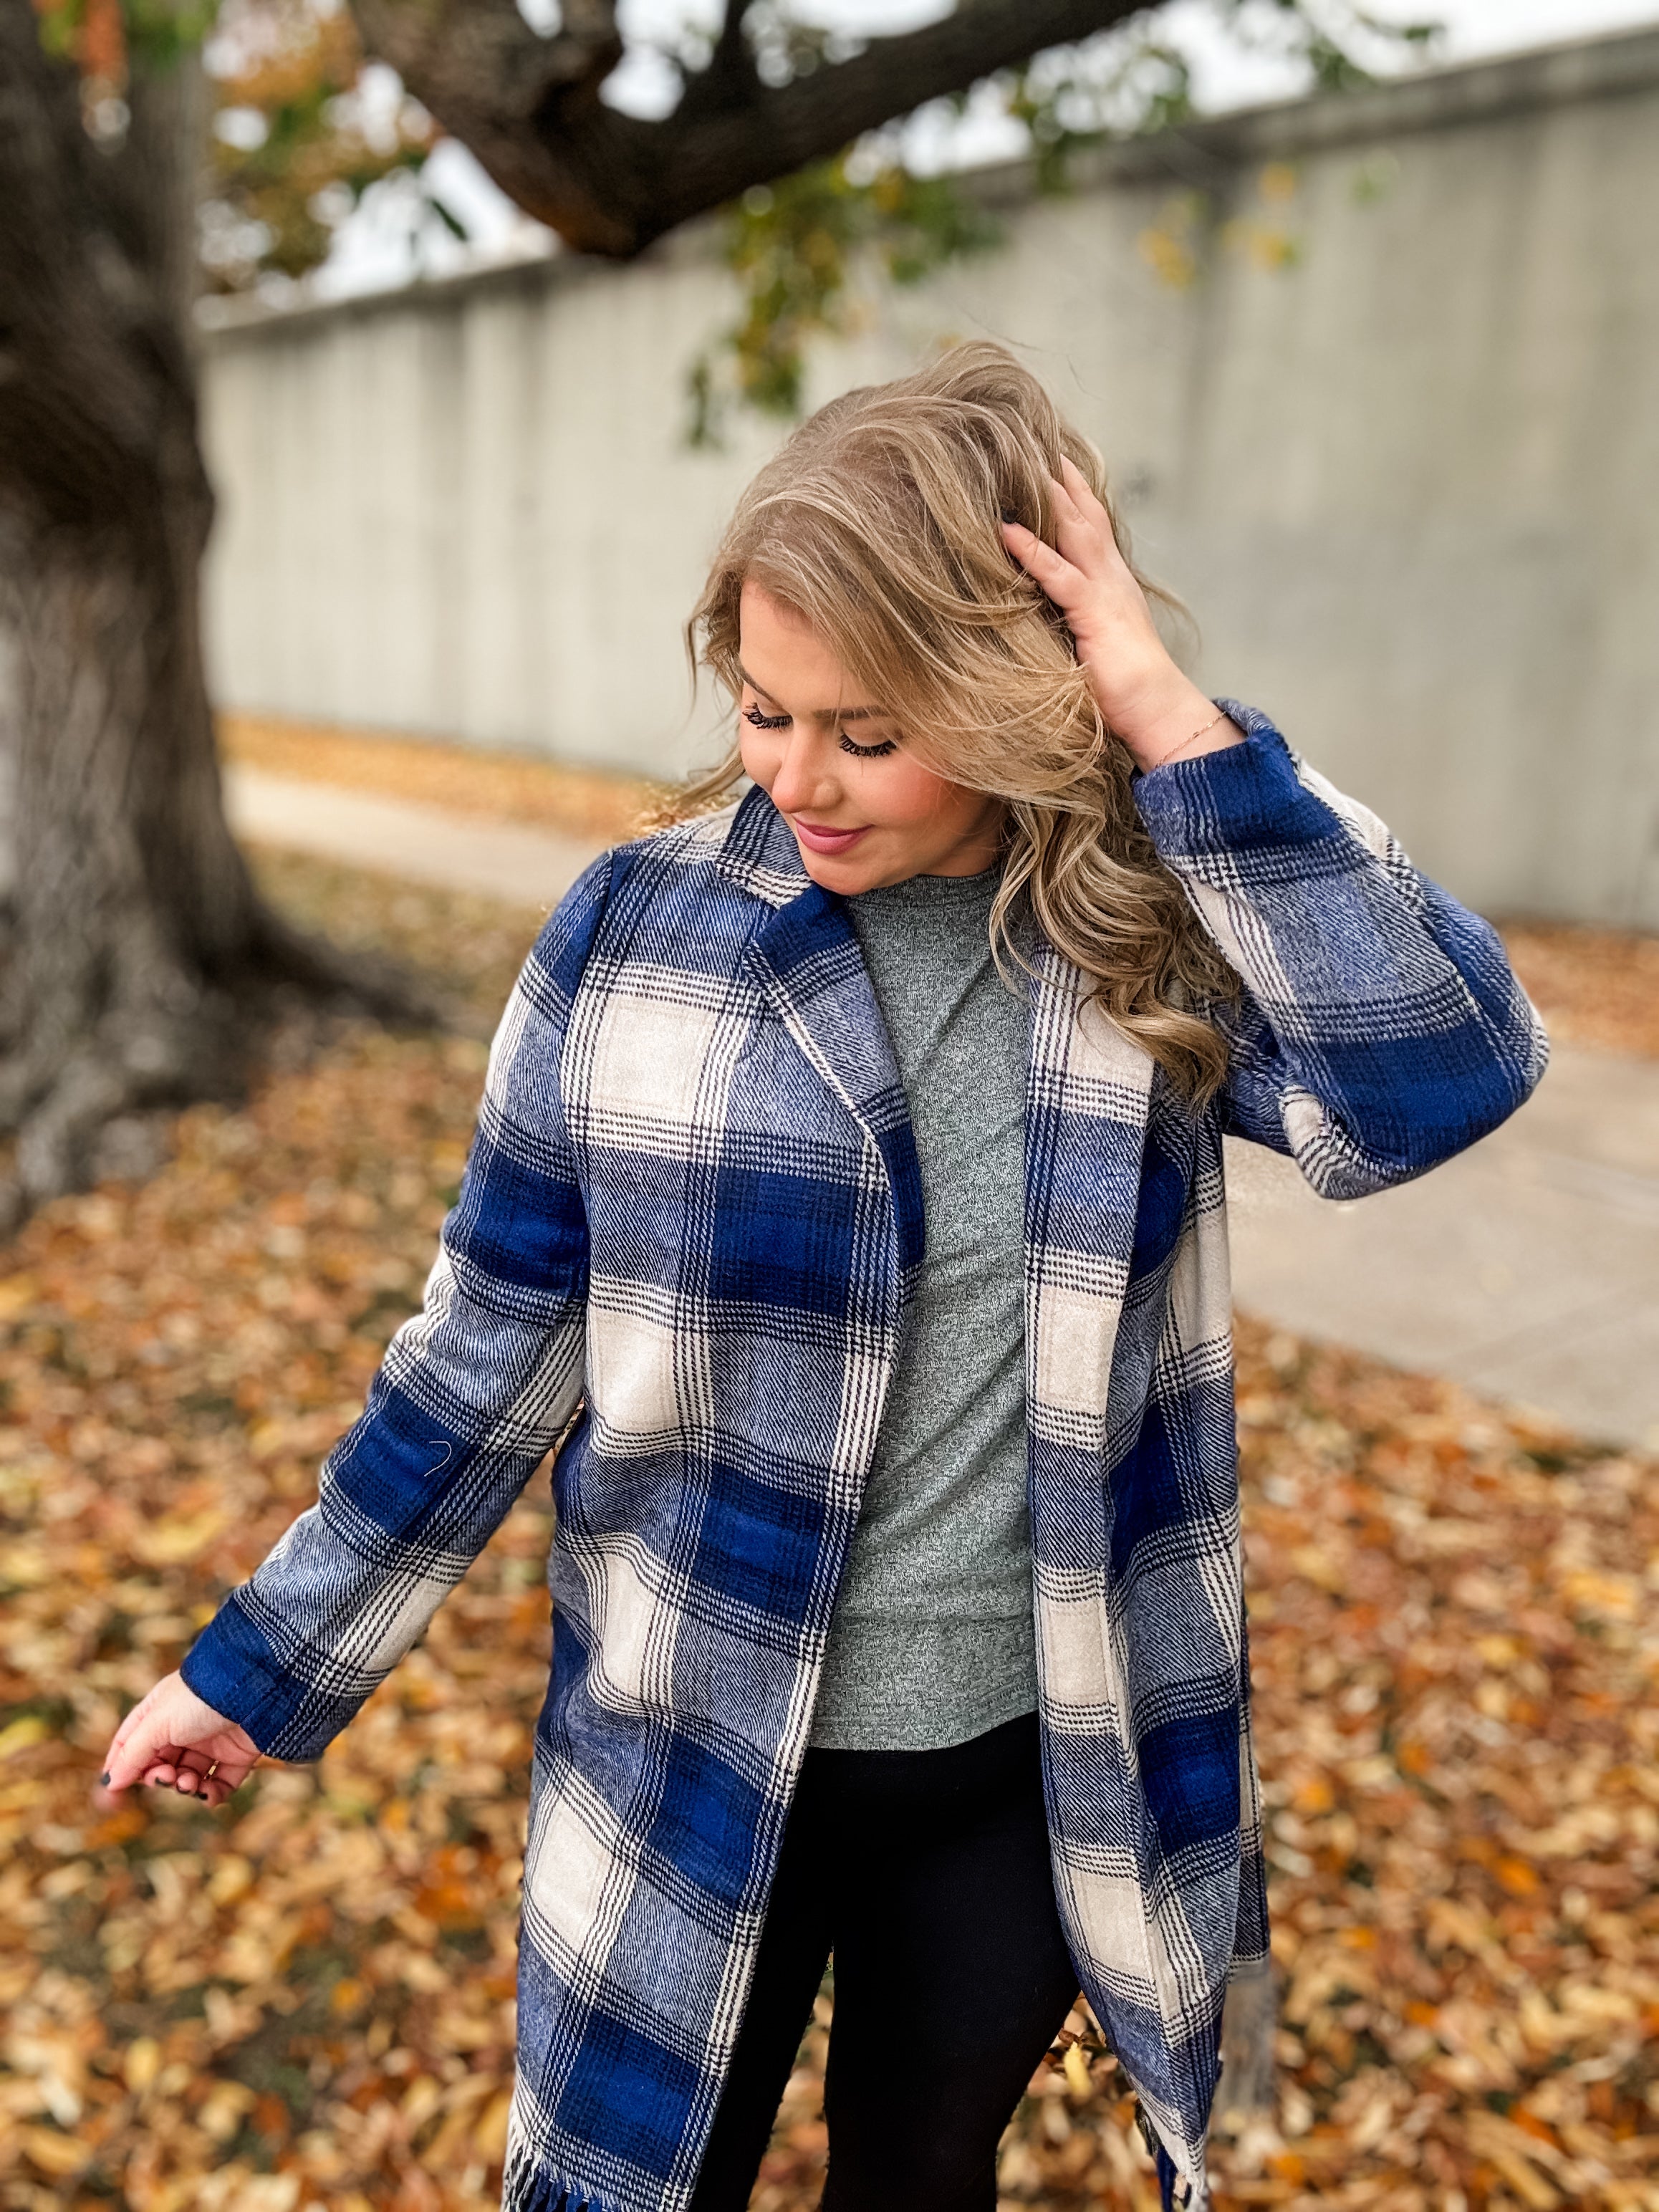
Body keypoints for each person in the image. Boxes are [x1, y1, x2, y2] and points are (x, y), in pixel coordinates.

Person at [100, 344, 1547, 2212]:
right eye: (766, 710)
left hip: (1046, 1767)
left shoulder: (1144, 922)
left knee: (922, 2178)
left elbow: (1435, 1078)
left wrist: (1169, 720)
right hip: (686, 1757)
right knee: (628, 2187)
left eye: (868, 732)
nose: (798, 776)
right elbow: (491, 1342)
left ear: (1010, 691)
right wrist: (261, 1668)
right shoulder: (639, 932)